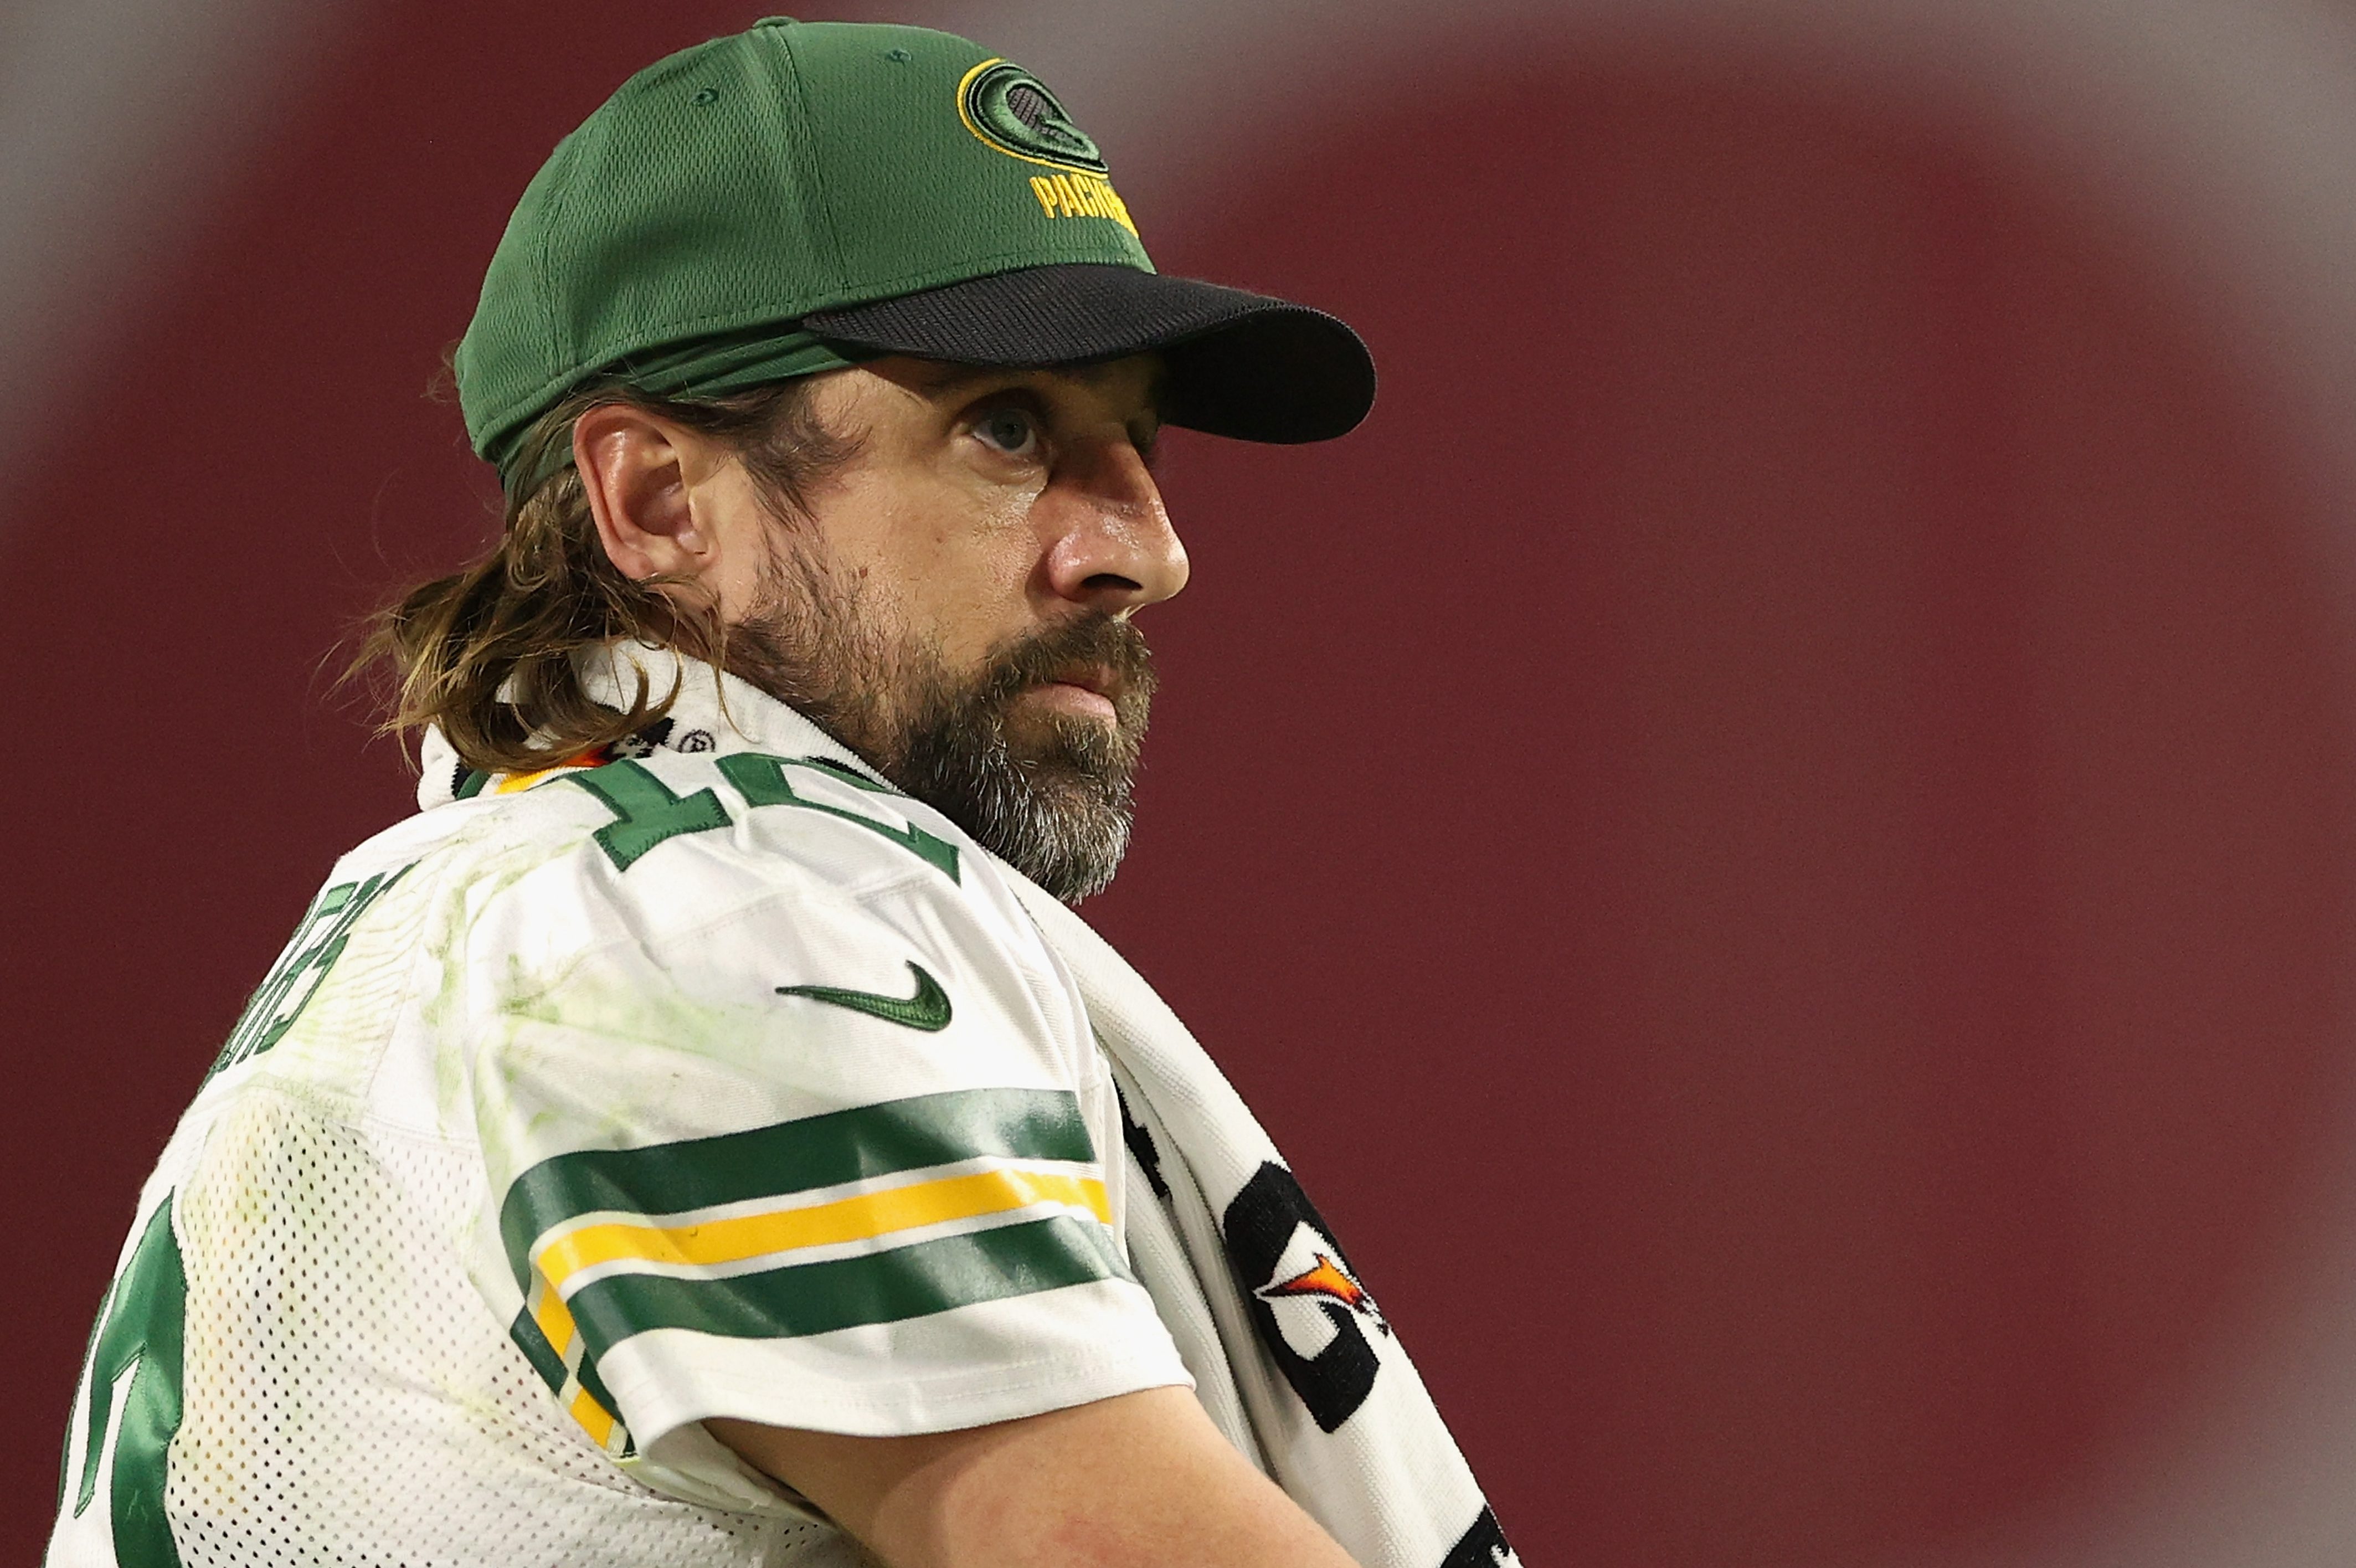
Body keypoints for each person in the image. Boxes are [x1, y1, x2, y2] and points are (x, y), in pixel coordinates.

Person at [46, 20, 1518, 1568]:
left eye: (1135, 441)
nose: (1146, 551)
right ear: (660, 500)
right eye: (1006, 425)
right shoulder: (718, 921)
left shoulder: (546, 893)